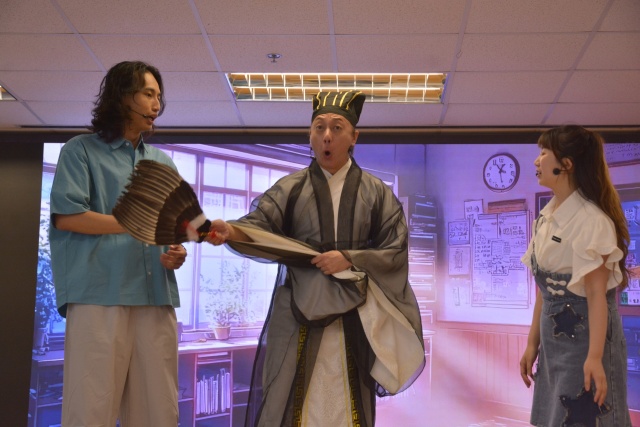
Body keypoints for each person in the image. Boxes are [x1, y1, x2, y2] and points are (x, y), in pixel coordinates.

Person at [206, 90, 425, 426]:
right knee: (293, 399)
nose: (326, 136)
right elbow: (259, 225)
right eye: (319, 127)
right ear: (309, 135)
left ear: (354, 137)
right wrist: (231, 230)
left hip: (354, 317)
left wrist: (349, 258)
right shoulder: (291, 188)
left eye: (337, 128)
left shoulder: (376, 192)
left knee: (348, 401)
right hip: (298, 313)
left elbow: (395, 249)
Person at [49, 60, 187, 427]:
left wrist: (175, 252)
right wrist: (132, 222)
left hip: (155, 297)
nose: (156, 105)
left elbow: (168, 230)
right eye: (148, 94)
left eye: (159, 96)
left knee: (159, 413)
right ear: (122, 97)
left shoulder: (162, 162)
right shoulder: (80, 150)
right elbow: (68, 216)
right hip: (99, 296)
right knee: (90, 411)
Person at [519, 125, 631, 426]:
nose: (537, 161)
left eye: (544, 153)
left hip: (586, 341)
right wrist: (532, 343)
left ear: (566, 164)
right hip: (554, 342)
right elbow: (544, 290)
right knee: (555, 417)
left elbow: (597, 295)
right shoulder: (547, 217)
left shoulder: (592, 220)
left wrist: (595, 357)